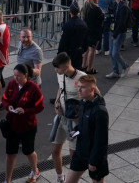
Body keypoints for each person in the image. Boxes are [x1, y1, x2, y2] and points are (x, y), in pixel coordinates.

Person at [1, 63, 45, 183]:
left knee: (28, 151)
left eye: (18, 76)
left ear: (26, 75)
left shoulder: (34, 88)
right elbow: (4, 98)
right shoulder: (11, 84)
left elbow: (40, 107)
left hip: (28, 126)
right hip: (12, 125)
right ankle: (7, 180)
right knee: (10, 153)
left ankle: (35, 170)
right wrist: (8, 106)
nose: (15, 79)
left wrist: (25, 110)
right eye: (14, 76)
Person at [65, 75, 109, 183]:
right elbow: (83, 125)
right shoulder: (83, 103)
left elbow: (101, 140)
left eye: (83, 87)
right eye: (78, 86)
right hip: (80, 153)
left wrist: (93, 161)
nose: (79, 90)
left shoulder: (100, 111)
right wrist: (75, 131)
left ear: (92, 89)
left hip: (94, 157)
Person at [51, 53, 87, 183]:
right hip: (61, 118)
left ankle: (73, 180)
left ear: (66, 66)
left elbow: (95, 95)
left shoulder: (82, 77)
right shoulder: (60, 74)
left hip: (75, 123)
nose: (56, 71)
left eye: (58, 68)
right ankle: (60, 177)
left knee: (73, 155)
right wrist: (56, 103)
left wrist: (82, 113)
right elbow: (60, 89)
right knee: (55, 150)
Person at [106, 0, 130, 79]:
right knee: (112, 52)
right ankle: (115, 71)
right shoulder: (116, 4)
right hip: (113, 30)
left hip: (118, 32)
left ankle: (125, 66)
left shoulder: (123, 7)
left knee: (114, 52)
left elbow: (121, 22)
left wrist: (115, 34)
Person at [59, 3, 88, 71]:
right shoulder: (83, 24)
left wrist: (59, 52)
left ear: (70, 12)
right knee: (77, 72)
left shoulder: (67, 25)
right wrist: (84, 49)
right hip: (79, 51)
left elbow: (63, 41)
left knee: (68, 72)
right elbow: (86, 39)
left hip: (69, 52)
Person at [82, 0, 105, 74]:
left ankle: (84, 65)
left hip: (87, 31)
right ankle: (90, 68)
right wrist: (102, 14)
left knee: (86, 50)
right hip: (95, 32)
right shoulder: (96, 9)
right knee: (92, 50)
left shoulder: (86, 8)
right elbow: (101, 19)